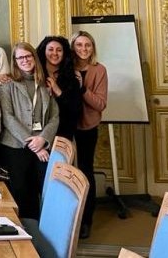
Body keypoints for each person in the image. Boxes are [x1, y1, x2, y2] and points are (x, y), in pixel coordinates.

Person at [0, 42, 59, 220]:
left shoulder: (45, 82)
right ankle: (23, 234)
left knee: (42, 190)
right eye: (20, 58)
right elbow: (8, 117)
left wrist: (43, 139)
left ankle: (40, 233)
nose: (25, 60)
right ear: (15, 61)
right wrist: (33, 143)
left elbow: (55, 116)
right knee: (21, 192)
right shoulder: (7, 84)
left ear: (34, 57)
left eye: (28, 56)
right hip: (16, 146)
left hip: (42, 143)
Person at [71, 30, 108, 240]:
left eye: (88, 45)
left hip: (88, 126)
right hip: (66, 126)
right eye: (79, 45)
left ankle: (86, 221)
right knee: (64, 172)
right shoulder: (66, 68)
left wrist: (82, 88)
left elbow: (101, 104)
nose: (84, 49)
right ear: (73, 47)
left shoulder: (99, 70)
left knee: (85, 171)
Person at [37, 35, 81, 141]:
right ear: (43, 52)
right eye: (50, 49)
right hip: (38, 136)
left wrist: (58, 91)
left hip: (63, 135)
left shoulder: (72, 80)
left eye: (59, 50)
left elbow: (75, 110)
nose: (55, 53)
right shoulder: (35, 76)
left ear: (64, 53)